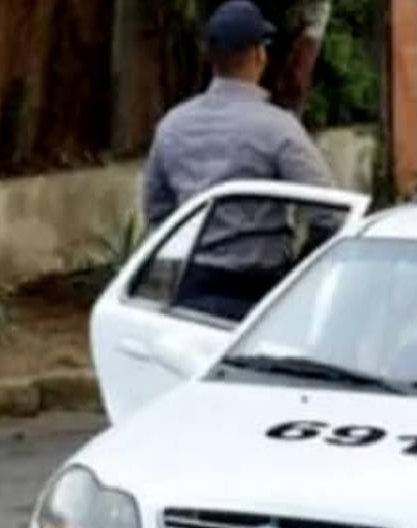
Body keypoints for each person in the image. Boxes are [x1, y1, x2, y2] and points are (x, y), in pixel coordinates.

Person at [143, 0, 338, 320]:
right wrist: (302, 266)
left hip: (190, 290)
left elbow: (157, 210)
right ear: (260, 55)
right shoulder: (278, 128)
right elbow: (329, 212)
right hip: (260, 293)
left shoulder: (172, 126)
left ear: (211, 59)